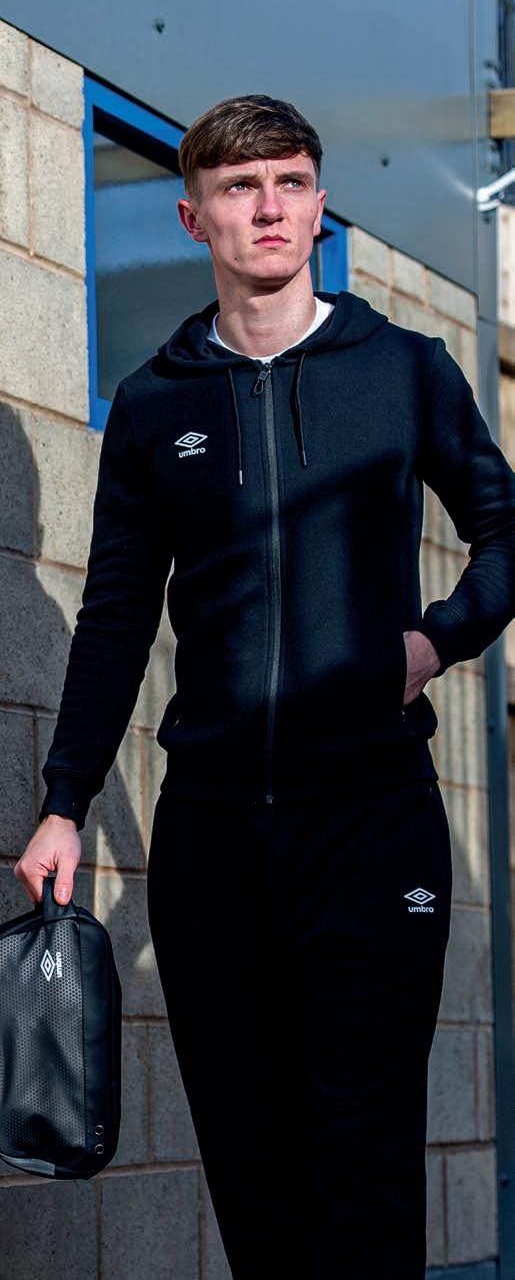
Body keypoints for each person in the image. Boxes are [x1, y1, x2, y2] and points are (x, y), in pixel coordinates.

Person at [13, 93, 515, 1278]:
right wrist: (65, 799)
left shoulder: (401, 369)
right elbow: (117, 615)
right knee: (252, 1170)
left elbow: (501, 530)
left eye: (289, 183)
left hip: (372, 821)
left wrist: (433, 641)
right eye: (241, 188)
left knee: (363, 1165)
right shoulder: (156, 401)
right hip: (214, 838)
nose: (269, 207)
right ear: (194, 217)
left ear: (319, 204)